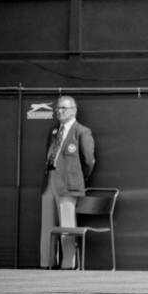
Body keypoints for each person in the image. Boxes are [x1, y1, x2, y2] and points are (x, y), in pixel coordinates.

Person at [40, 95, 95, 269]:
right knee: (46, 226)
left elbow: (89, 161)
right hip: (49, 183)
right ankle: (45, 263)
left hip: (68, 186)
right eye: (57, 108)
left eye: (63, 108)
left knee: (67, 225)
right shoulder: (54, 131)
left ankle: (68, 264)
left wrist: (78, 179)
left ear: (74, 110)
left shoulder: (82, 131)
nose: (59, 111)